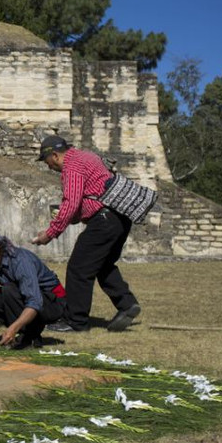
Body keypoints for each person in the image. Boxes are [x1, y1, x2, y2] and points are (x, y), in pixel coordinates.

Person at [31, 135, 141, 332]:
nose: (48, 166)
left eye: (46, 161)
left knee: (78, 268)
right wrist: (73, 217)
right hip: (120, 217)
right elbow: (87, 198)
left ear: (54, 155)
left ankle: (76, 321)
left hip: (105, 219)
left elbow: (71, 203)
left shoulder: (71, 166)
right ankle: (126, 304)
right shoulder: (87, 157)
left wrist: (50, 233)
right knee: (103, 265)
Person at [0, 224, 66, 350]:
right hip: (31, 300)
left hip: (53, 302)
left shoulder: (21, 261)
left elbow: (34, 302)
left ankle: (30, 336)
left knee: (9, 289)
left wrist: (13, 328)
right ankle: (24, 333)